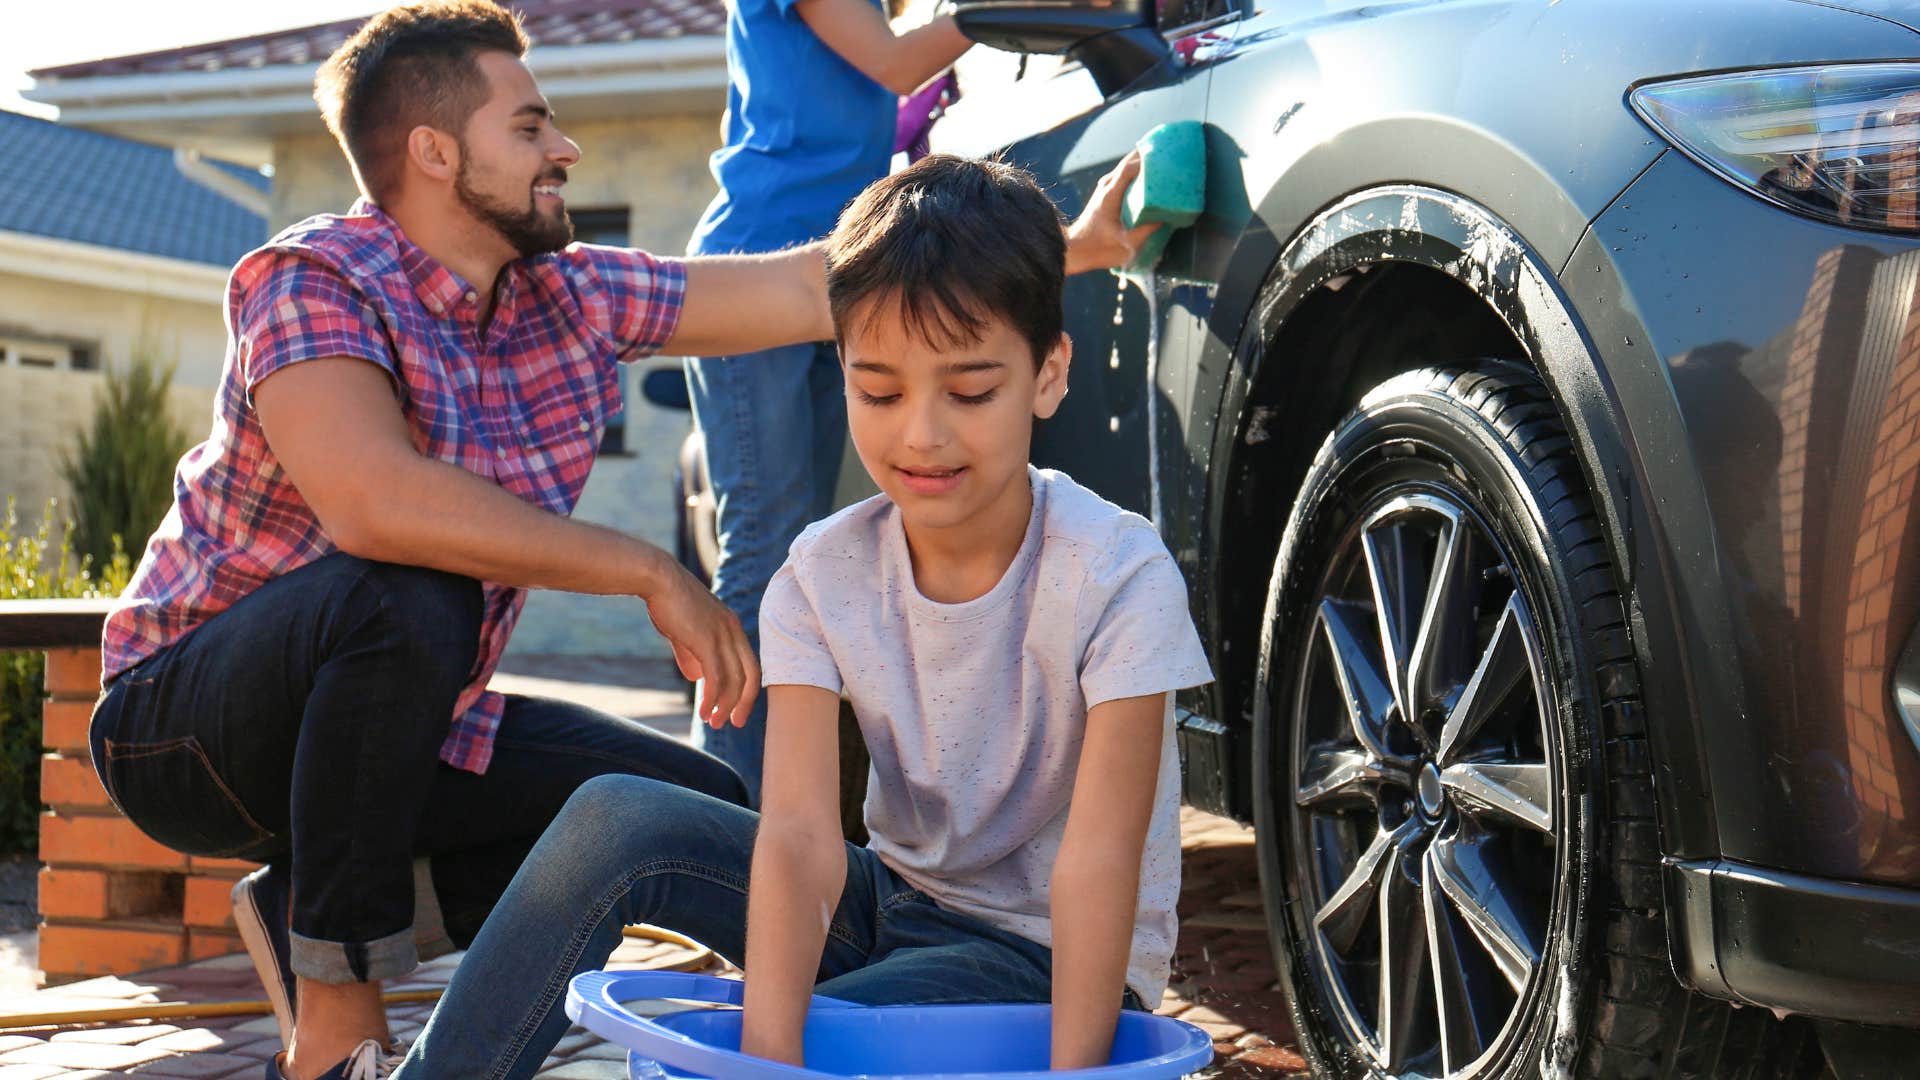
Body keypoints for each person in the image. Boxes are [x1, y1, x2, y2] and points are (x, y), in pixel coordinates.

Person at [80, 4, 1040, 1078]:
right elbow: (372, 503)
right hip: (185, 732)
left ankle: (309, 906)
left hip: (386, 731)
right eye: (531, 127)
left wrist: (1058, 247)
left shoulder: (567, 296)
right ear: (436, 153)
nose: (564, 148)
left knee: (691, 814)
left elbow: (803, 285)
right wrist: (645, 571)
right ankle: (336, 1029)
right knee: (409, 591)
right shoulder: (311, 279)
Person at [389, 153, 1204, 1079]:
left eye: (971, 392)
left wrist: (1077, 1070)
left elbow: (1099, 867)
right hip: (888, 908)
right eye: (880, 390)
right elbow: (803, 838)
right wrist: (764, 1059)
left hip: (1046, 968)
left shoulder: (1117, 572)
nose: (921, 434)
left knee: (806, 1040)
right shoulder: (824, 572)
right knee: (615, 816)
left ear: (1047, 374)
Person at [683, 0, 976, 802]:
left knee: (800, 555)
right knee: (764, 545)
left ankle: (784, 813)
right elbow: (893, 62)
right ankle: (721, 819)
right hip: (755, 265)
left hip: (833, 277)